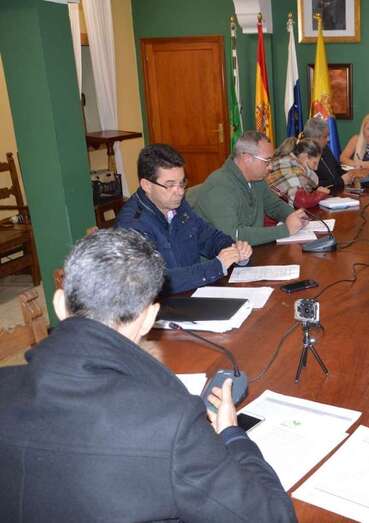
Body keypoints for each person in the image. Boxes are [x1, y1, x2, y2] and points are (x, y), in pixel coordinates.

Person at [0, 228, 296, 521]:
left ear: (59, 304)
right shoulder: (171, 423)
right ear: (150, 318)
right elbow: (274, 516)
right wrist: (232, 434)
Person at [116, 143, 252, 294]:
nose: (180, 192)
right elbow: (155, 281)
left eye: (182, 183)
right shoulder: (132, 226)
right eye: (170, 185)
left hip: (195, 295)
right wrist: (216, 266)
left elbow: (208, 236)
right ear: (146, 185)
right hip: (160, 309)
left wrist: (235, 250)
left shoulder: (178, 206)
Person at [187, 131, 308, 245]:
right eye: (267, 161)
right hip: (220, 261)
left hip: (249, 252)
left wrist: (295, 216)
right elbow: (233, 235)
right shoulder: (219, 186)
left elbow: (274, 205)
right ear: (247, 158)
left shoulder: (257, 179)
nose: (271, 167)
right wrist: (285, 230)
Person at [267, 137, 331, 208]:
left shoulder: (289, 162)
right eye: (314, 163)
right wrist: (320, 194)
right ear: (305, 156)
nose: (316, 168)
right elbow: (300, 202)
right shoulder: (290, 166)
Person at [305, 117, 357, 193]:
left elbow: (337, 170)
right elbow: (313, 186)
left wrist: (350, 175)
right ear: (316, 138)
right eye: (325, 137)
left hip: (337, 193)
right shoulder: (306, 156)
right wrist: (341, 181)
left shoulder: (325, 149)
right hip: (321, 198)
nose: (328, 139)